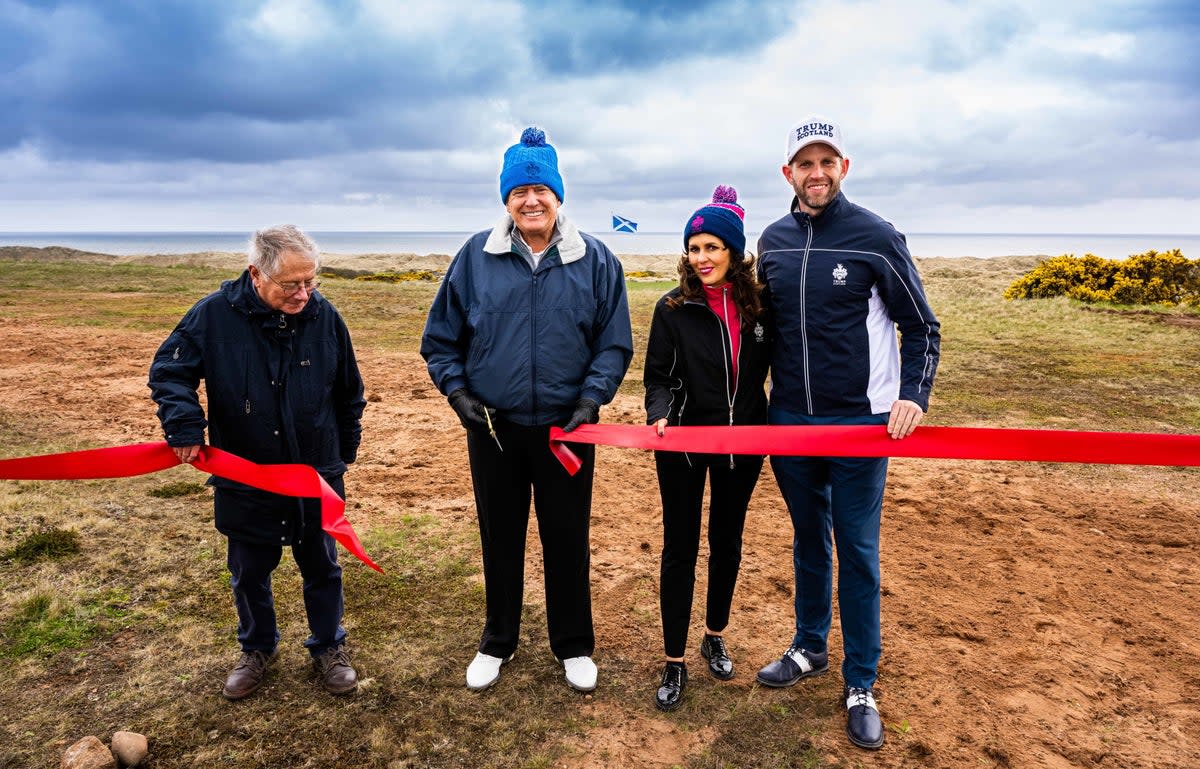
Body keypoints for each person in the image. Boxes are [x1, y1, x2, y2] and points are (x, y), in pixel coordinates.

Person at [420, 126, 633, 694]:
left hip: (567, 430)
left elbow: (612, 343)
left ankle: (573, 645)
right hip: (493, 427)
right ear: (506, 200)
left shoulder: (595, 259)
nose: (531, 200)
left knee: (567, 536)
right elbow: (440, 340)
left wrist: (592, 399)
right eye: (519, 192)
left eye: (541, 189)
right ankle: (497, 640)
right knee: (500, 535)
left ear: (558, 196)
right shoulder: (475, 257)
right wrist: (458, 394)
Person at [754, 117, 940, 750]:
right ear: (788, 173)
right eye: (805, 163)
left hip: (860, 425)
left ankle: (861, 680)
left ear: (844, 168)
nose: (817, 172)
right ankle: (810, 646)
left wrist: (912, 395)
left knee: (856, 547)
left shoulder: (875, 236)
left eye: (827, 161)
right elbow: (763, 329)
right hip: (790, 424)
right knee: (809, 538)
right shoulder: (772, 242)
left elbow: (922, 327)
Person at [148, 224, 366, 700]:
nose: (303, 293)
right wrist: (184, 426)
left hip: (315, 473)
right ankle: (257, 648)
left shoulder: (326, 316)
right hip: (244, 474)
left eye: (311, 281)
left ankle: (329, 646)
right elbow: (169, 372)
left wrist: (342, 453)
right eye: (291, 284)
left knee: (323, 567)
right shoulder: (211, 316)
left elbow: (350, 392)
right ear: (256, 274)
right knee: (249, 572)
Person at [643, 186, 771, 711]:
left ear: (734, 253)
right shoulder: (672, 308)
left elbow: (779, 368)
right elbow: (659, 376)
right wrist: (659, 411)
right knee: (680, 548)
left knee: (727, 541)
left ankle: (714, 634)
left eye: (713, 247)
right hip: (684, 447)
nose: (702, 259)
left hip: (745, 445)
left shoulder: (761, 308)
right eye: (694, 248)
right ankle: (674, 661)